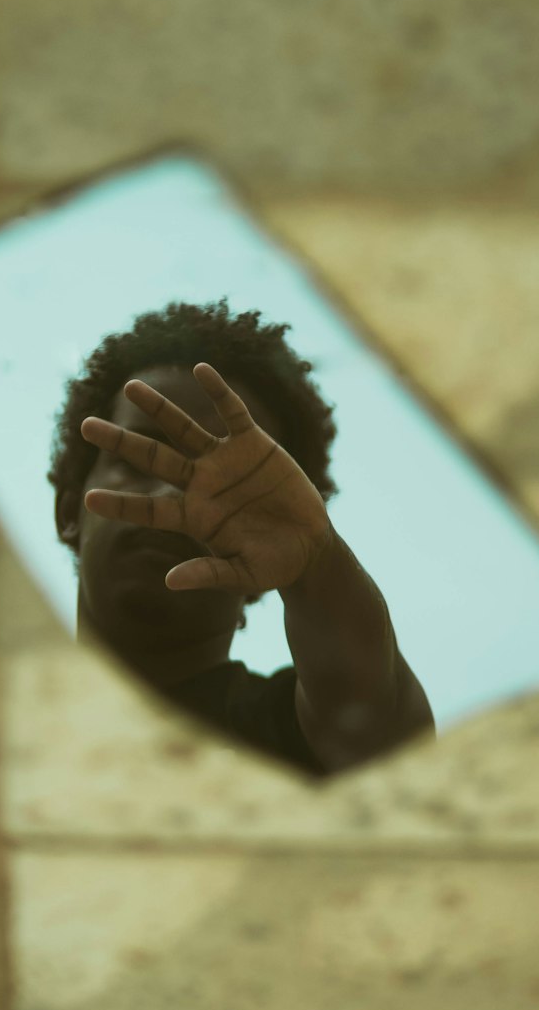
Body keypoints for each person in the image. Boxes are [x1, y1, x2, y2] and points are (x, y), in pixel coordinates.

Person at [49, 297, 434, 779]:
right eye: (141, 458)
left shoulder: (284, 737)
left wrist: (318, 559)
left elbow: (385, 728)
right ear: (69, 510)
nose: (174, 492)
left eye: (235, 488)